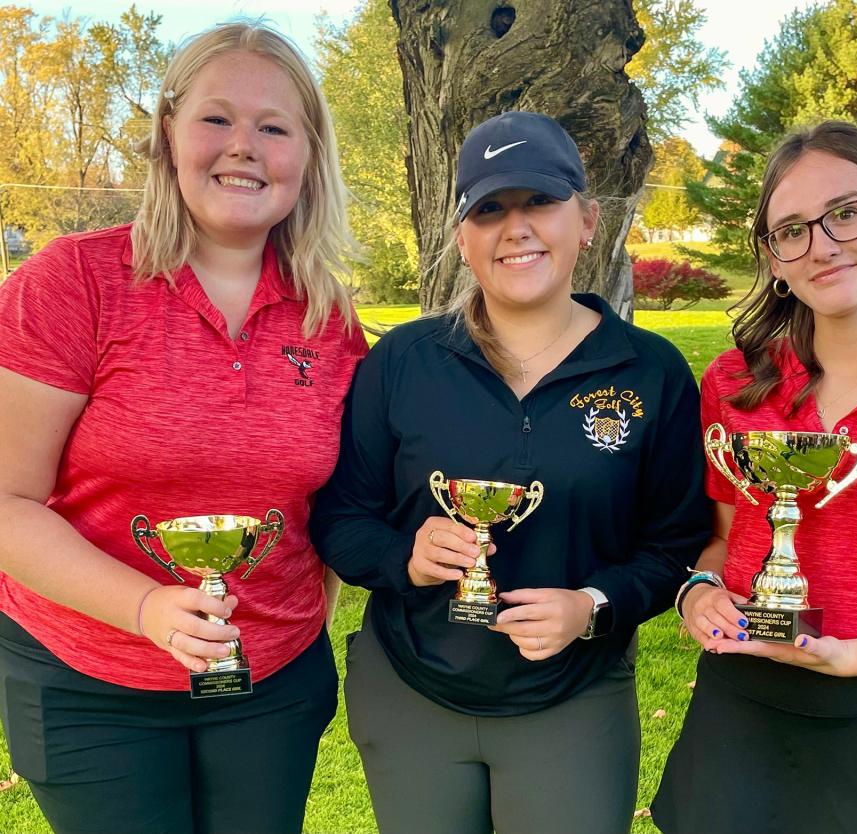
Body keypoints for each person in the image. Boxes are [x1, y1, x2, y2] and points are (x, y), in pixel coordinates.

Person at [0, 22, 367, 834]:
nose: (244, 147)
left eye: (274, 127)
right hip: (87, 681)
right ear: (168, 134)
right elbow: (6, 503)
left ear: (307, 156)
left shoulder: (332, 322)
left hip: (270, 687)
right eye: (216, 118)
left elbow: (335, 505)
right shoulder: (72, 284)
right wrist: (145, 609)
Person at [310, 110, 711, 834]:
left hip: (574, 697)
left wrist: (591, 604)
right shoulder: (402, 363)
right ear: (463, 238)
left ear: (587, 220)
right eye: (489, 209)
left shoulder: (651, 373)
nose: (515, 227)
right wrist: (407, 555)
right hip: (413, 692)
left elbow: (675, 541)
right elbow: (341, 517)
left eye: (540, 201)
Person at [652, 121, 857, 834]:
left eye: (847, 212)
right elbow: (723, 542)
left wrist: (849, 656)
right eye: (791, 230)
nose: (821, 245)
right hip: (738, 719)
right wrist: (698, 591)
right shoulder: (734, 384)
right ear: (774, 258)